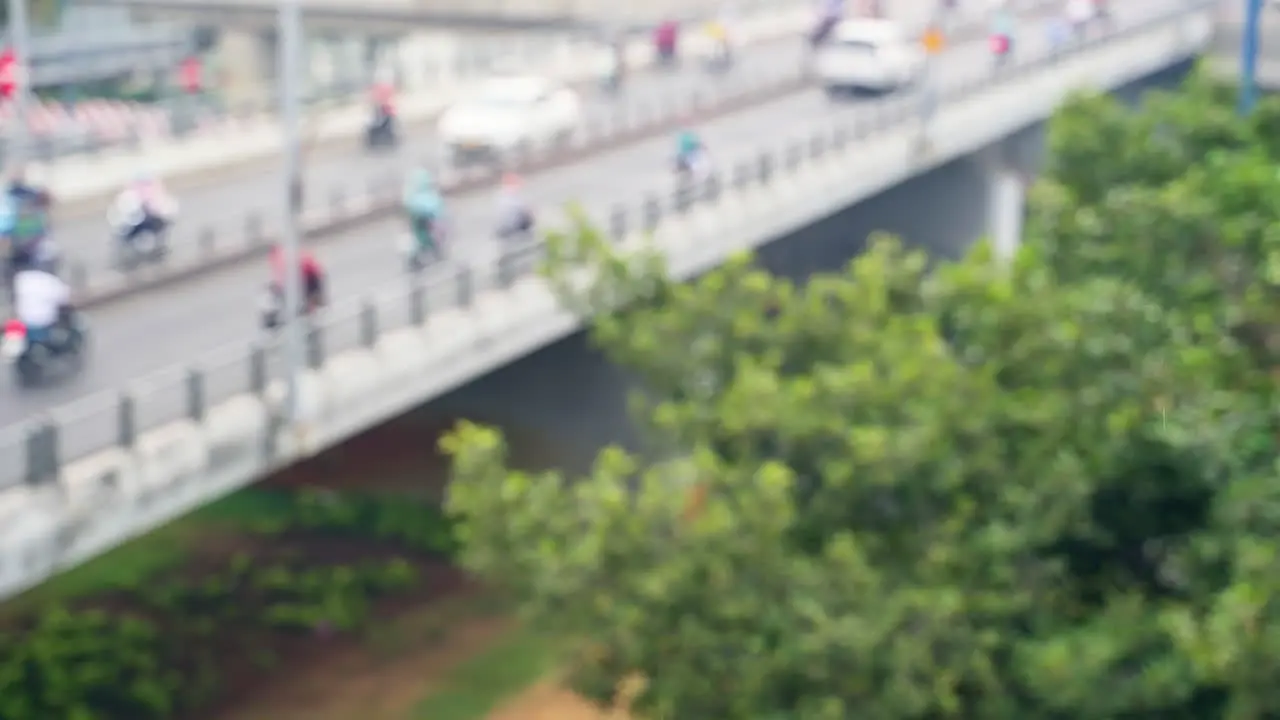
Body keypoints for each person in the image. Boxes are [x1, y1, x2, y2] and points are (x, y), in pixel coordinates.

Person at [12, 258, 78, 354]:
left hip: (23, 322)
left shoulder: (21, 277)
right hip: (43, 323)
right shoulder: (51, 281)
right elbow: (65, 299)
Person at [108, 173, 177, 248]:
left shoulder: (157, 195)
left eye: (147, 184)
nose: (145, 188)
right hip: (133, 227)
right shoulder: (129, 197)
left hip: (151, 223)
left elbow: (168, 211)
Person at [402, 168, 445, 260]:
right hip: (423, 223)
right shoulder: (428, 196)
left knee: (425, 238)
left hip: (422, 223)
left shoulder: (413, 196)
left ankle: (429, 251)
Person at [267, 244, 325, 312]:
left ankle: (310, 305)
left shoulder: (278, 258)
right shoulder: (291, 250)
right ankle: (314, 303)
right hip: (311, 274)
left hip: (302, 276)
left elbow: (281, 278)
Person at [495, 173, 534, 240]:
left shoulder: (501, 196)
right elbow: (525, 211)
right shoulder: (509, 197)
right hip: (514, 230)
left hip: (508, 230)